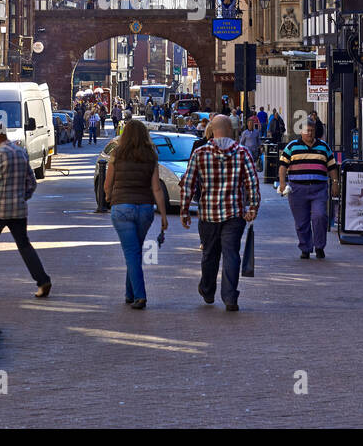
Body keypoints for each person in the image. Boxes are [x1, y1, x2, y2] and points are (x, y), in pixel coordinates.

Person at [179, 115, 261, 312]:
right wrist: (253, 208)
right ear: (231, 130)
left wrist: (184, 210)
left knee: (209, 253)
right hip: (235, 213)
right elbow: (252, 182)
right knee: (231, 254)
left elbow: (188, 183)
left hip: (208, 213)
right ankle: (230, 296)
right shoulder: (243, 153)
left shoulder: (200, 153)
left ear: (211, 130)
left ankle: (207, 289)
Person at [0, 120, 51, 298]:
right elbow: (32, 182)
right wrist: (22, 197)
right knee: (24, 245)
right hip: (19, 208)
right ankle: (43, 280)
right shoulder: (20, 151)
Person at [103, 119, 170, 309]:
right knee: (135, 250)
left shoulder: (117, 154)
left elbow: (108, 183)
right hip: (145, 208)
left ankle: (140, 295)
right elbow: (156, 188)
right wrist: (163, 215)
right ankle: (129, 293)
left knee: (132, 252)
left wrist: (108, 196)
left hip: (122, 207)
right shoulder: (150, 155)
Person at [278, 120, 339, 259]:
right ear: (301, 131)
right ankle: (305, 248)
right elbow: (282, 166)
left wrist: (335, 183)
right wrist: (282, 183)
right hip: (297, 190)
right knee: (301, 221)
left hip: (319, 189)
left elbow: (332, 166)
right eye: (307, 131)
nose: (309, 133)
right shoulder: (292, 146)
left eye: (312, 131)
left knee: (320, 216)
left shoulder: (324, 147)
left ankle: (319, 246)